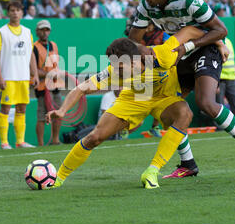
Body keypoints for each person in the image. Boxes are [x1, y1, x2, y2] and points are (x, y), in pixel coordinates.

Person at [128, 0, 235, 180]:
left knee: (205, 103)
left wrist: (188, 46)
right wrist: (150, 54)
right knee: (168, 109)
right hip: (178, 56)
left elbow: (221, 31)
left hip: (205, 49)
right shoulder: (147, 6)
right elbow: (133, 40)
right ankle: (188, 163)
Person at [46, 26, 205, 189]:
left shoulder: (162, 54)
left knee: (184, 114)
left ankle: (152, 171)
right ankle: (58, 178)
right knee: (95, 137)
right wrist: (62, 110)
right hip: (133, 99)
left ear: (134, 60)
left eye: (120, 67)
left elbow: (190, 31)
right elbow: (82, 88)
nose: (116, 71)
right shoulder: (114, 71)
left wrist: (218, 43)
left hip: (164, 98)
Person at [0, 1, 39, 150]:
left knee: (22, 109)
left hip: (23, 77)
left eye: (17, 10)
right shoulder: (1, 32)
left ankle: (20, 141)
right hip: (8, 76)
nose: (15, 13)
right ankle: (4, 142)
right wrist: (0, 77)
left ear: (21, 12)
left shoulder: (27, 31)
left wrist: (35, 74)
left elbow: (31, 54)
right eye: (12, 10)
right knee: (5, 109)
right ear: (8, 13)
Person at [33, 20, 63, 146]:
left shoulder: (54, 45)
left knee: (58, 114)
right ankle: (40, 144)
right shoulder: (34, 47)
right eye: (42, 30)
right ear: (37, 32)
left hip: (55, 85)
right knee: (41, 116)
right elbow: (33, 69)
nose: (45, 32)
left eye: (47, 30)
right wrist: (48, 74)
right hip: (41, 87)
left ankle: (55, 140)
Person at [216, 37, 235, 126]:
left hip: (231, 78)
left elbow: (231, 61)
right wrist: (215, 81)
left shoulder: (228, 41)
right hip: (219, 79)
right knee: (218, 106)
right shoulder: (215, 40)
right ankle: (220, 127)